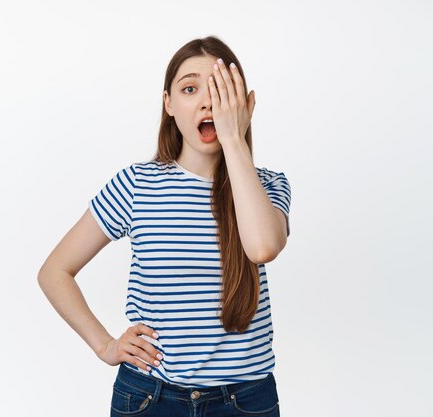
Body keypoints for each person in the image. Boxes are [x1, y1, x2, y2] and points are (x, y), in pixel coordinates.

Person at [37, 35, 291, 417]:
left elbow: (262, 247)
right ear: (169, 104)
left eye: (221, 90)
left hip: (245, 401)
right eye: (190, 89)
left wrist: (234, 139)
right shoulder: (135, 185)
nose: (208, 101)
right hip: (149, 398)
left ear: (242, 103)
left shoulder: (269, 186)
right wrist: (105, 345)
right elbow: (55, 271)